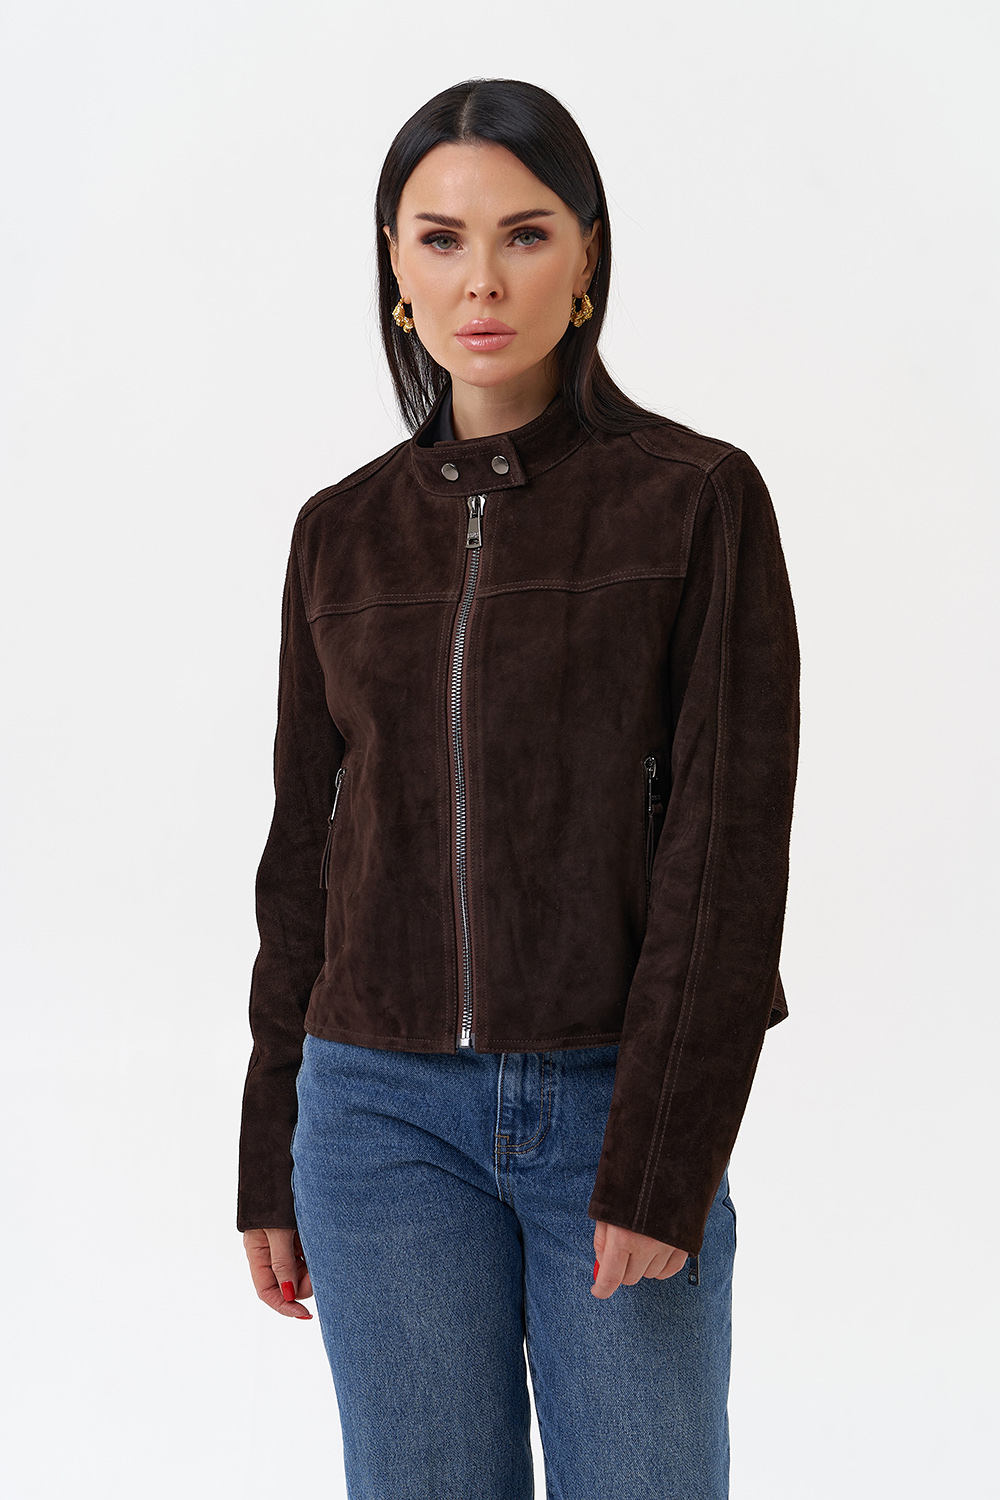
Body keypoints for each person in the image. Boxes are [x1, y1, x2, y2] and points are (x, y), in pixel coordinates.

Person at [237, 76, 799, 1500]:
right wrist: (268, 1147)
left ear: (588, 254)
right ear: (395, 264)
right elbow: (304, 856)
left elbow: (727, 855)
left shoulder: (695, 500)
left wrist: (665, 1155)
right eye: (441, 239)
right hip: (377, 1117)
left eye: (525, 234)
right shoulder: (340, 534)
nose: (480, 280)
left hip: (614, 1102)